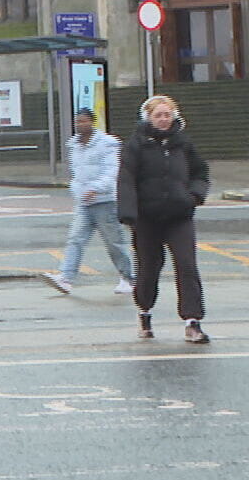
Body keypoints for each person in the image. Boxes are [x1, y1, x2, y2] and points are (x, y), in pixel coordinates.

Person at [118, 94, 211, 344]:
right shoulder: (136, 144)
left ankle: (192, 322)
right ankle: (145, 312)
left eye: (167, 114)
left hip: (179, 215)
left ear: (174, 117)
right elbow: (126, 178)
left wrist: (195, 196)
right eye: (158, 115)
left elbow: (200, 171)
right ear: (148, 117)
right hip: (147, 218)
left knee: (187, 266)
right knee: (149, 269)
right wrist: (128, 212)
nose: (163, 119)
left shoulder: (183, 143)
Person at [41, 108, 134, 295]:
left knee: (114, 242)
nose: (81, 125)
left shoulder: (107, 144)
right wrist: (78, 190)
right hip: (84, 203)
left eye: (84, 121)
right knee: (76, 239)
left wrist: (96, 188)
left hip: (105, 202)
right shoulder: (75, 145)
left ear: (92, 122)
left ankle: (129, 278)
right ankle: (66, 278)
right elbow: (77, 174)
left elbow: (112, 171)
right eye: (78, 122)